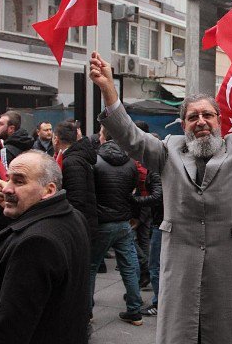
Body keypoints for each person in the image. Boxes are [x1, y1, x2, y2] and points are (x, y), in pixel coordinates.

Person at [89, 51, 232, 344]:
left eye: (207, 115)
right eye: (193, 117)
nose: (201, 121)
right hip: (182, 275)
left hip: (231, 276)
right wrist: (109, 92)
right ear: (184, 125)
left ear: (219, 121)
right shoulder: (168, 150)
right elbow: (131, 138)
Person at [0, 150, 89, 344]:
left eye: (19, 181)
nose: (6, 188)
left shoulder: (35, 244)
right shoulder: (72, 216)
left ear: (48, 190)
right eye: (8, 179)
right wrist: (17, 212)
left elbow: (9, 331)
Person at [90, 124, 142, 325]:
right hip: (123, 222)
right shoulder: (130, 163)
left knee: (91, 267)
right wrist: (134, 216)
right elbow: (133, 193)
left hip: (102, 222)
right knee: (129, 266)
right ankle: (135, 311)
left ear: (103, 137)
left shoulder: (95, 161)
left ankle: (87, 312)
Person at [52, 120, 99, 320]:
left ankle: (83, 316)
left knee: (81, 276)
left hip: (79, 227)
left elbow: (77, 200)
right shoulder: (72, 157)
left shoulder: (72, 162)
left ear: (56, 138)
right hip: (83, 224)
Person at [131, 131, 164, 317]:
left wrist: (136, 200)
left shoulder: (157, 168)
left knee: (155, 266)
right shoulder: (157, 166)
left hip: (160, 221)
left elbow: (158, 196)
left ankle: (159, 303)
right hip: (159, 219)